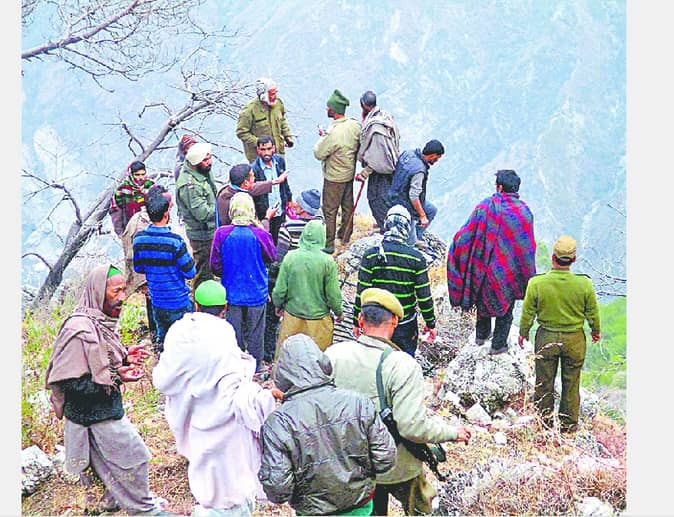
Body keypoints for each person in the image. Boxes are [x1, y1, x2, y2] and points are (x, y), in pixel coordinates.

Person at [326, 288, 472, 516]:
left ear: (361, 319)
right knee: (422, 505)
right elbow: (411, 427)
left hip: (347, 462)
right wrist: (452, 433)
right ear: (394, 321)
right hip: (393, 464)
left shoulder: (333, 354)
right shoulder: (403, 364)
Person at [45, 265, 169, 516]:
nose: (122, 297)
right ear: (98, 292)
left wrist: (125, 359)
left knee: (101, 471)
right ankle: (145, 510)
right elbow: (69, 382)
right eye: (115, 291)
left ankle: (110, 506)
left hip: (100, 412)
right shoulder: (78, 331)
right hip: (92, 418)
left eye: (124, 290)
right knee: (134, 460)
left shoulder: (98, 323)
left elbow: (97, 364)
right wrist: (116, 376)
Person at [153, 281, 277, 517]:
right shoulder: (224, 332)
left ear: (196, 305)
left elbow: (164, 378)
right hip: (222, 417)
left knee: (202, 466)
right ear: (225, 307)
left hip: (190, 413)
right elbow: (232, 376)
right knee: (227, 477)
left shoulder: (179, 331)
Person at [259, 333, 396, 516]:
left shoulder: (278, 423)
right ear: (322, 364)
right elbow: (386, 459)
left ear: (282, 373)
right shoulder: (359, 403)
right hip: (361, 506)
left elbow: (278, 489)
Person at [447, 169, 536, 355]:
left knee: (483, 302)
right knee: (507, 307)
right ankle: (498, 345)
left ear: (500, 187)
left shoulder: (485, 207)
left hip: (485, 271)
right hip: (511, 273)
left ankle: (481, 336)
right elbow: (526, 249)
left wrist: (456, 249)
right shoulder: (525, 213)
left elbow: (464, 237)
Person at [518, 235, 601, 434]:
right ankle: (568, 428)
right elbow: (592, 312)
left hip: (546, 337)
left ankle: (544, 425)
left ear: (553, 257)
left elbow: (528, 313)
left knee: (543, 383)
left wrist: (523, 332)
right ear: (573, 259)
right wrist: (595, 331)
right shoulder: (584, 284)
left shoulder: (537, 283)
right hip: (575, 340)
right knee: (571, 384)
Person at [353, 205, 436, 357]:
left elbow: (362, 292)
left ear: (386, 225)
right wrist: (430, 324)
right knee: (403, 362)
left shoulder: (371, 255)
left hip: (375, 322)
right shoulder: (416, 259)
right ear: (407, 228)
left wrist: (356, 321)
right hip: (405, 324)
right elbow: (424, 297)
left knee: (374, 360)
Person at [210, 192, 277, 373]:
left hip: (231, 291)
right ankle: (256, 366)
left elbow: (215, 265)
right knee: (256, 332)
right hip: (256, 291)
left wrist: (227, 272)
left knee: (234, 331)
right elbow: (272, 257)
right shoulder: (260, 234)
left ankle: (236, 366)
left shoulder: (221, 234)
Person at [261, 188, 323, 364]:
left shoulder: (288, 227)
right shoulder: (321, 227)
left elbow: (279, 259)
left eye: (298, 202)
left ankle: (270, 353)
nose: (294, 203)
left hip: (289, 279)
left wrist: (272, 284)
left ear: (302, 208)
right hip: (312, 280)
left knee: (272, 317)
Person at [133, 186, 196, 351]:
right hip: (178, 300)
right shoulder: (175, 241)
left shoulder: (139, 240)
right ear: (166, 213)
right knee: (185, 341)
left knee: (163, 339)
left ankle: (162, 362)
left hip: (157, 301)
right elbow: (190, 272)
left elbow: (138, 267)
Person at [272, 219, 343, 359]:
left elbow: (280, 290)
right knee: (316, 361)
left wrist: (278, 305)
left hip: (292, 317)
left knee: (288, 358)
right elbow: (333, 294)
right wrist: (338, 312)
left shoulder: (290, 257)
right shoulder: (327, 261)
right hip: (318, 320)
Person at [121, 184, 174, 341]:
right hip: (148, 278)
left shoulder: (148, 219)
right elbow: (134, 257)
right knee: (155, 311)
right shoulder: (141, 226)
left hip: (152, 276)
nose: (171, 204)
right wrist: (143, 283)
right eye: (168, 201)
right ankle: (157, 341)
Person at [313, 89, 361, 254]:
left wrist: (323, 137)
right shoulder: (354, 125)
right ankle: (345, 236)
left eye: (328, 107)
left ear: (333, 110)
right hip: (349, 174)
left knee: (330, 210)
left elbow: (319, 153)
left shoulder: (333, 133)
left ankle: (329, 244)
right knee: (347, 206)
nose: (327, 109)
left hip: (334, 178)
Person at [354, 90, 400, 232]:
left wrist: (364, 173)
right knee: (382, 199)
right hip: (387, 167)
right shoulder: (384, 117)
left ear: (363, 104)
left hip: (381, 171)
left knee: (376, 200)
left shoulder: (376, 128)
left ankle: (387, 229)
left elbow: (378, 157)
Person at [175, 142, 218, 293]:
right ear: (195, 162)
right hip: (201, 234)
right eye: (205, 160)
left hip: (210, 230)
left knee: (210, 267)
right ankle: (201, 298)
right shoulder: (189, 186)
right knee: (203, 271)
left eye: (210, 158)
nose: (209, 162)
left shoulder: (202, 171)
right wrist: (221, 206)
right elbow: (202, 214)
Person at [386, 140, 445, 247]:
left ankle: (416, 235)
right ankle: (411, 239)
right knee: (410, 244)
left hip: (394, 194)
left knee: (431, 210)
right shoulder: (419, 171)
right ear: (432, 155)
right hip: (405, 204)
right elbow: (413, 196)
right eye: (437, 158)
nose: (437, 160)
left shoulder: (408, 154)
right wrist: (422, 216)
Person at [236, 77, 294, 163]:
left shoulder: (278, 104)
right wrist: (260, 143)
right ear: (264, 95)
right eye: (272, 94)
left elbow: (282, 120)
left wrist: (287, 136)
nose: (275, 96)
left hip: (278, 154)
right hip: (259, 158)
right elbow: (241, 133)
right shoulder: (249, 110)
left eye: (275, 93)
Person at [250, 135, 293, 243]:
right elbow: (253, 191)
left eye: (269, 149)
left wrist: (289, 199)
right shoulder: (254, 169)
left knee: (281, 239)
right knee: (267, 241)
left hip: (280, 210)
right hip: (265, 213)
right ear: (258, 150)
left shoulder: (279, 161)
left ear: (273, 148)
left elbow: (284, 183)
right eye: (263, 149)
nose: (266, 153)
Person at [216, 163, 286, 227]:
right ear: (246, 183)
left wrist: (275, 182)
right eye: (252, 176)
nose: (254, 178)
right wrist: (267, 217)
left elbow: (253, 188)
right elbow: (258, 232)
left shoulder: (234, 188)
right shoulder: (228, 200)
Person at [110, 160, 155, 238]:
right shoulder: (122, 190)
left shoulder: (151, 186)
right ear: (131, 175)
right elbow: (116, 213)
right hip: (131, 231)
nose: (140, 178)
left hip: (151, 230)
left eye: (143, 174)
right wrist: (121, 234)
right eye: (137, 175)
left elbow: (161, 207)